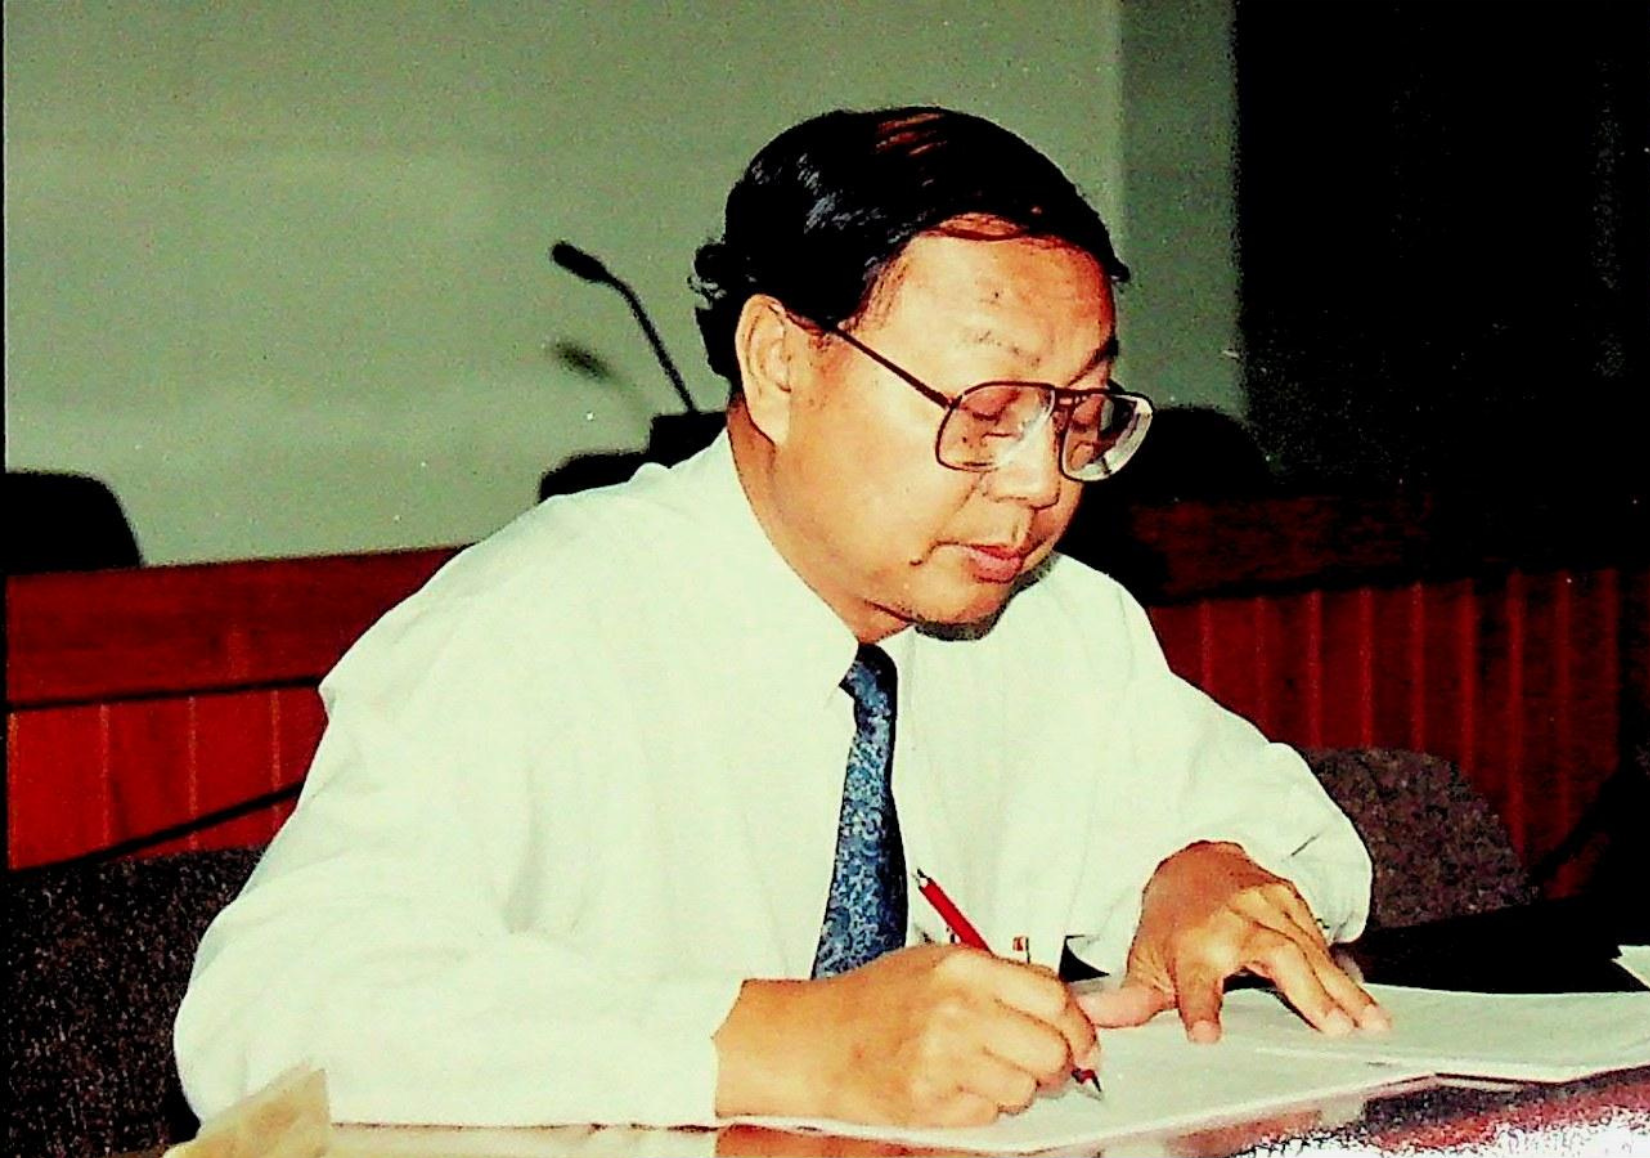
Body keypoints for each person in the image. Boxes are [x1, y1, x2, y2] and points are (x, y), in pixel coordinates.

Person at [175, 106, 1385, 1132]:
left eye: (1076, 415)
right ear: (782, 365)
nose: (1036, 482)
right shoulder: (530, 628)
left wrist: (1198, 874)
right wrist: (780, 1042)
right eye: (983, 413)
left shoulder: (1055, 625)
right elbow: (264, 1016)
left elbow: (1303, 843)